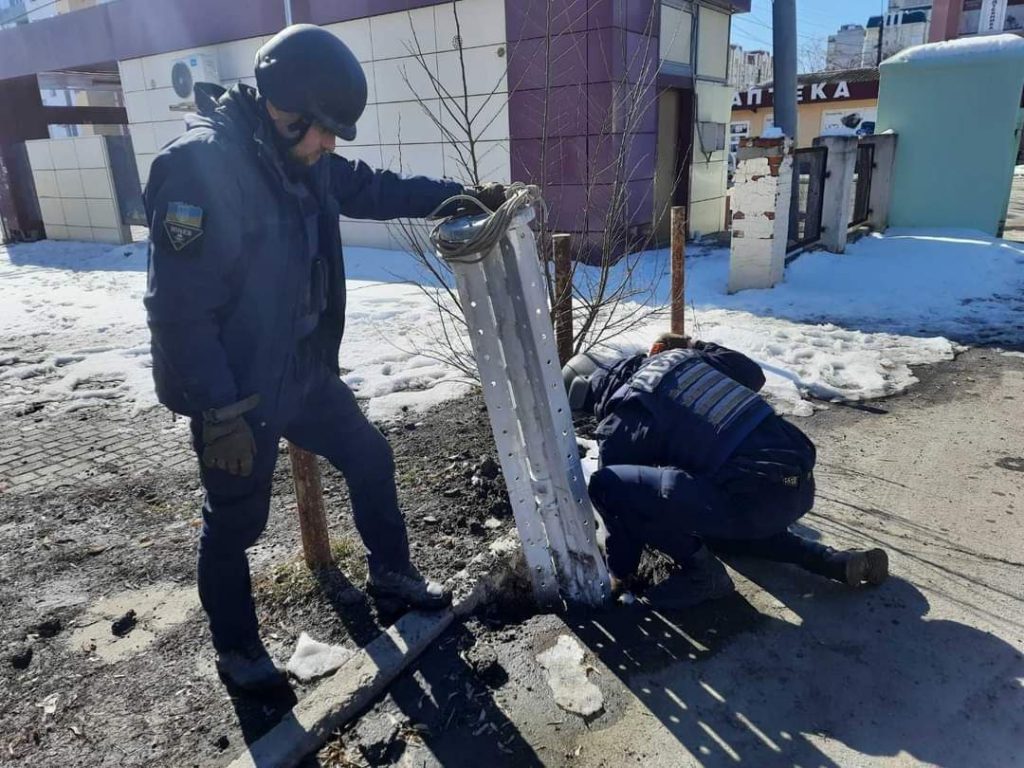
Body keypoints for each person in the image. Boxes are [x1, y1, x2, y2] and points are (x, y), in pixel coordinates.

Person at [143, 24, 505, 691]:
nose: (330, 144)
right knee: (235, 523)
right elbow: (177, 311)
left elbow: (377, 188)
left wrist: (458, 195)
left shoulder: (301, 160)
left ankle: (391, 576)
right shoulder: (200, 167)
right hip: (234, 392)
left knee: (370, 455)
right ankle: (239, 652)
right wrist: (218, 410)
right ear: (285, 112)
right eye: (323, 130)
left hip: (299, 371)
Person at [562, 333, 889, 603]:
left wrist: (620, 571)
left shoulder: (624, 414)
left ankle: (703, 577)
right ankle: (832, 560)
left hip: (751, 498)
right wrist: (693, 345)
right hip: (797, 484)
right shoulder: (681, 360)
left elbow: (624, 508)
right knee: (722, 511)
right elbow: (752, 374)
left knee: (608, 485)